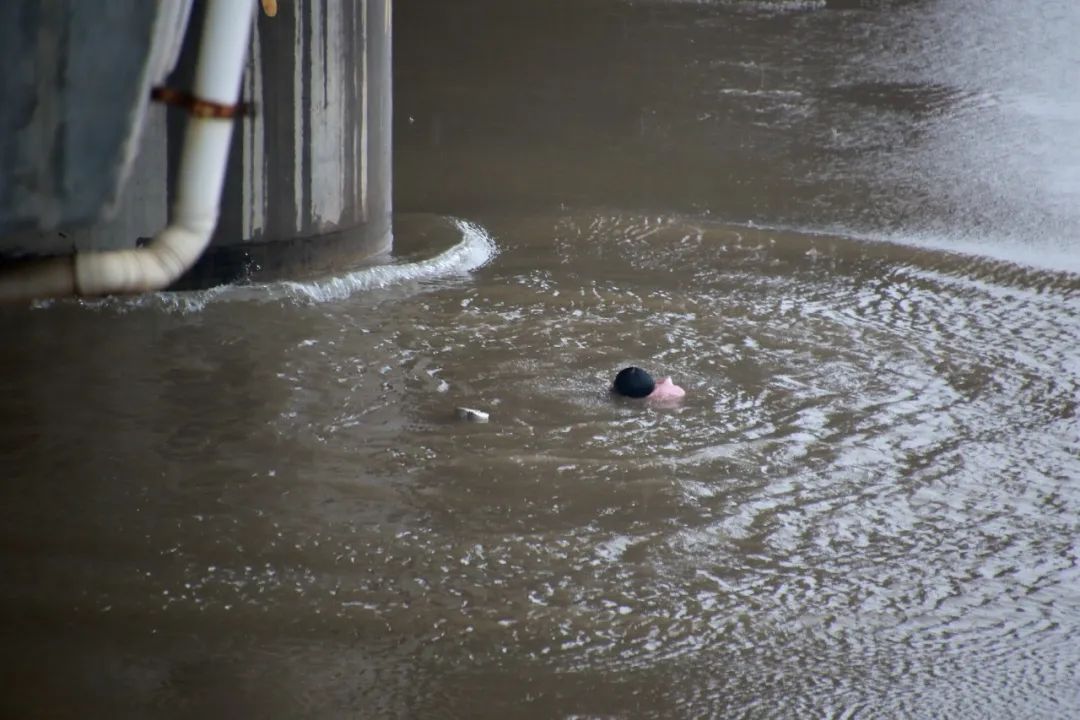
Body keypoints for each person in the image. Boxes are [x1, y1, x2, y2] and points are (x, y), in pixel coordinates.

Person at [611, 366, 685, 400]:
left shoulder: (654, 399)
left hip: (677, 396)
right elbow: (668, 378)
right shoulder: (664, 382)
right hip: (672, 388)